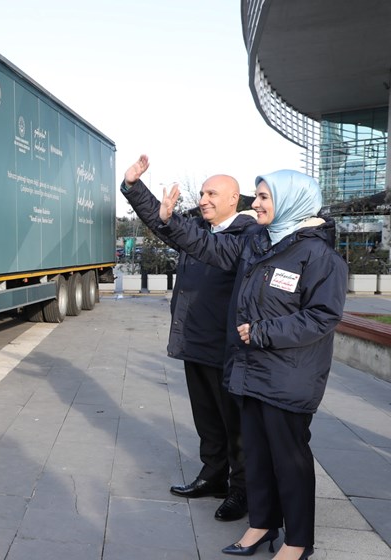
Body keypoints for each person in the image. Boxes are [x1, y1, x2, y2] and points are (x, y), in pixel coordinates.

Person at [125, 155, 346, 560]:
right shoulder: (257, 244)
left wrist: (263, 332)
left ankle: (297, 542)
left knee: (290, 462)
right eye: (256, 197)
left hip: (288, 377)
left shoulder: (319, 256)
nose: (255, 203)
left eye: (263, 197)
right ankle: (260, 525)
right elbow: (204, 244)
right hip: (250, 370)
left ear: (292, 201)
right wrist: (168, 220)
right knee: (257, 457)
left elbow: (322, 316)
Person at [122, 163, 253, 522]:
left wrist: (173, 222)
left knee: (235, 424)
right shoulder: (199, 229)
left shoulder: (247, 234)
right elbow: (163, 221)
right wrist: (134, 187)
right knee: (207, 419)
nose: (204, 199)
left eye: (212, 194)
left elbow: (187, 235)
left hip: (227, 347)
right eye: (203, 193)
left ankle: (242, 489)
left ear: (233, 198)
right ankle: (213, 476)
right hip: (195, 340)